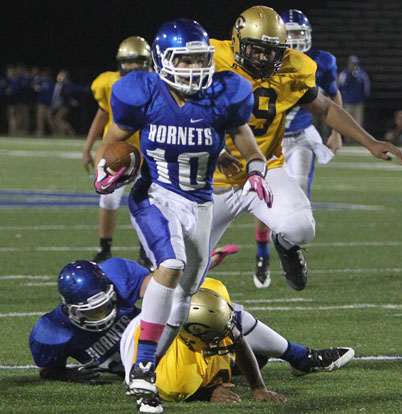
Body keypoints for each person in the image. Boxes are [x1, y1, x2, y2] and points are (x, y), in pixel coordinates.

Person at [93, 18, 272, 400]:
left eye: (199, 60)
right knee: (170, 266)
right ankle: (143, 364)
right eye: (185, 61)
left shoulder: (226, 93)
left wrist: (256, 172)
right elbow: (113, 144)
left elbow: (251, 148)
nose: (194, 69)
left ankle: (142, 373)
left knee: (184, 297)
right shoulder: (140, 91)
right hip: (155, 195)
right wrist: (105, 169)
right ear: (162, 60)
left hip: (200, 201)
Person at [209, 6, 402, 293]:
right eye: (258, 50)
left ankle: (285, 246)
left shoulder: (292, 67)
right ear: (239, 42)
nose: (265, 58)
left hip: (265, 169)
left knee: (301, 228)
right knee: (183, 270)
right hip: (209, 178)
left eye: (272, 51)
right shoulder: (213, 62)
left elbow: (325, 108)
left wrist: (370, 142)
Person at [29, 258, 354, 413]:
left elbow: (159, 290)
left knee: (216, 308)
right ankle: (233, 366)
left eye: (105, 306)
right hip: (141, 361)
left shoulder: (115, 274)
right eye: (91, 313)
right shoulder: (50, 332)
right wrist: (72, 374)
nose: (102, 316)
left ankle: (299, 356)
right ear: (70, 309)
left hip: (151, 333)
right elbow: (48, 370)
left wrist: (190, 275)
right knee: (188, 371)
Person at [251, 9, 344, 288]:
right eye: (289, 34)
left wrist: (336, 131)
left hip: (301, 135)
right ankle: (261, 252)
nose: (294, 39)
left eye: (299, 34)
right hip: (270, 140)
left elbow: (331, 94)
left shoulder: (321, 61)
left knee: (300, 193)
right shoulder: (265, 60)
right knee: (265, 199)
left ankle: (288, 247)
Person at [82, 36, 153, 266]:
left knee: (148, 203)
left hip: (146, 152)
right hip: (116, 152)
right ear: (120, 62)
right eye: (128, 61)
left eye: (138, 61)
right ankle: (105, 248)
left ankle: (145, 250)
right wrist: (88, 147)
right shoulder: (108, 83)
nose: (132, 66)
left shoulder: (155, 83)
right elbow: (102, 114)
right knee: (109, 201)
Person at [338, 55, 370, 133]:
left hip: (358, 102)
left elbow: (366, 88)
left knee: (358, 122)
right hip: (347, 101)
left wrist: (364, 98)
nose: (353, 66)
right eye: (351, 64)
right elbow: (340, 86)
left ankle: (357, 139)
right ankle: (347, 138)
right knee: (347, 121)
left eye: (354, 64)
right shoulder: (344, 74)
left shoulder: (362, 74)